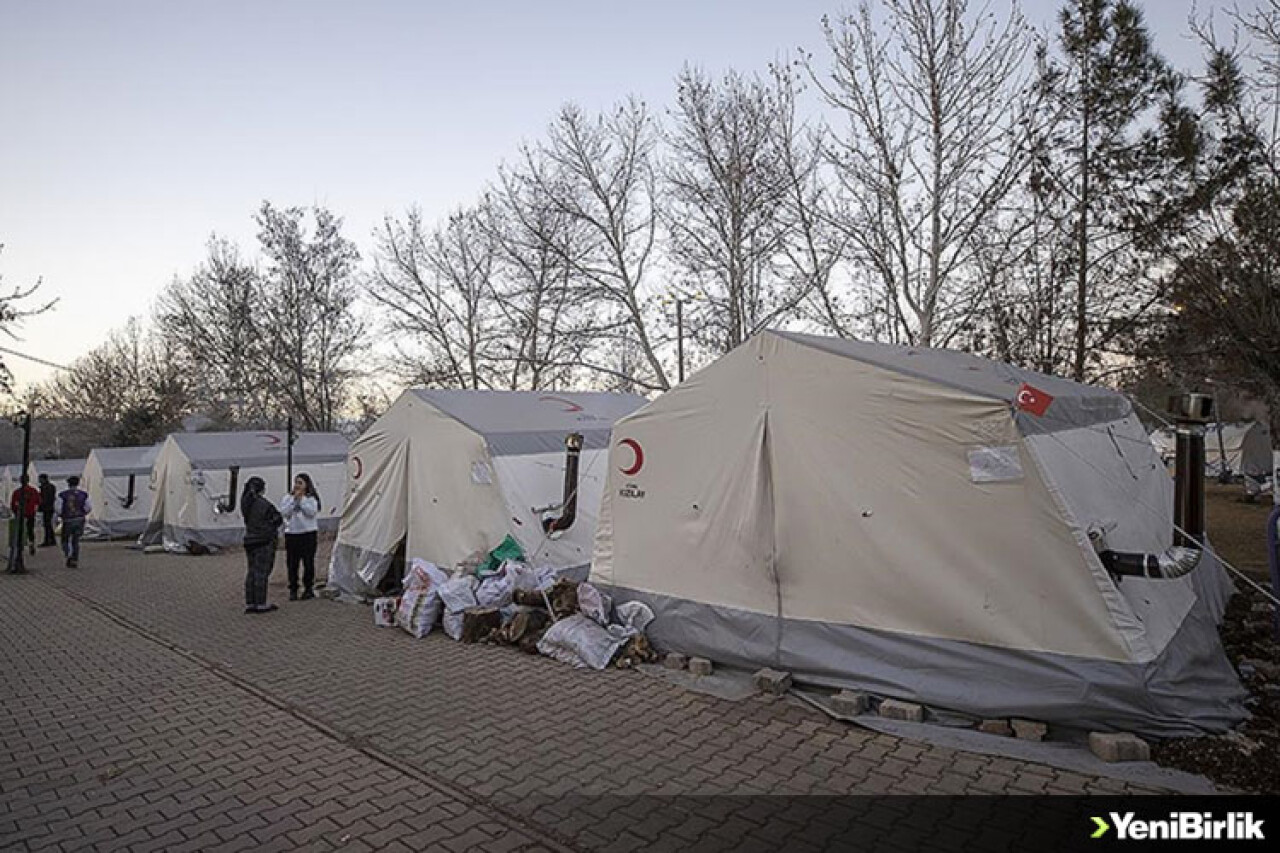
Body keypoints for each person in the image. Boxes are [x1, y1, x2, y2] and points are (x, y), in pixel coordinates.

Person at [241, 476, 283, 614]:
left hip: (249, 540)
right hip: (264, 541)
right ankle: (260, 603)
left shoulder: (245, 502)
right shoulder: (263, 504)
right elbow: (277, 518)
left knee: (252, 571)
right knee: (262, 572)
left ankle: (250, 602)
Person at [279, 473, 321, 601]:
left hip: (308, 533)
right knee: (292, 563)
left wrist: (301, 499)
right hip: (292, 534)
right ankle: (293, 588)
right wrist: (293, 500)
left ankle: (308, 588)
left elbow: (311, 512)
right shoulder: (287, 498)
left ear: (306, 485)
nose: (297, 485)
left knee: (308, 562)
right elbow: (284, 513)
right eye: (296, 482)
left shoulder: (311, 498)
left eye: (300, 483)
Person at [54, 476, 91, 568]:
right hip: (79, 519)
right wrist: (83, 513)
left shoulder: (62, 495)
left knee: (65, 539)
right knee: (76, 540)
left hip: (68, 519)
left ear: (68, 484)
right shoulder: (84, 494)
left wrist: (60, 516)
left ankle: (68, 554)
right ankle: (75, 558)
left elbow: (58, 509)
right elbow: (88, 507)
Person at [9, 476, 40, 557]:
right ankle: (31, 544)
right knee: (30, 530)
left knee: (20, 530)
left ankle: (20, 546)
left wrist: (16, 512)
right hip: (31, 513)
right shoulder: (33, 490)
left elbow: (13, 504)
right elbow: (38, 501)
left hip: (21, 514)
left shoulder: (17, 492)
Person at [37, 474, 57, 547]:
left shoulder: (45, 488)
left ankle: (47, 540)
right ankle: (52, 540)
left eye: (40, 479)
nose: (39, 480)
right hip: (51, 507)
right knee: (48, 524)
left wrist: (40, 506)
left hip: (47, 508)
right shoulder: (52, 486)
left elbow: (44, 499)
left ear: (43, 479)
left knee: (47, 525)